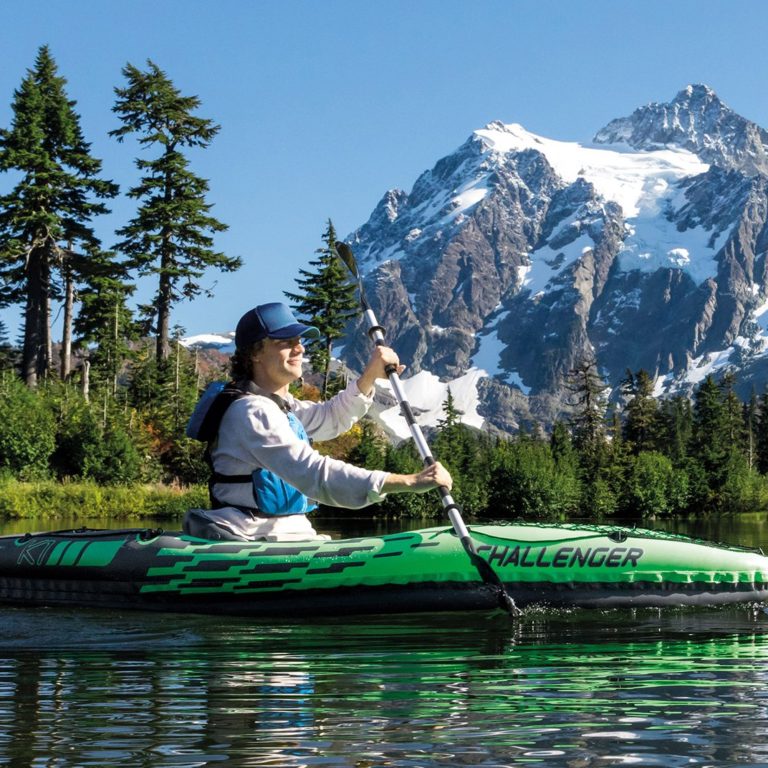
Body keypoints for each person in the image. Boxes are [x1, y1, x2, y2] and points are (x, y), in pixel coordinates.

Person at [183, 302, 453, 542]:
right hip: (249, 532)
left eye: (299, 340)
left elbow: (331, 417)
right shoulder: (252, 412)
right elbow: (313, 473)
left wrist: (370, 376)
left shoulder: (280, 408)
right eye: (284, 342)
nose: (299, 347)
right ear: (254, 353)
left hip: (284, 533)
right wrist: (406, 482)